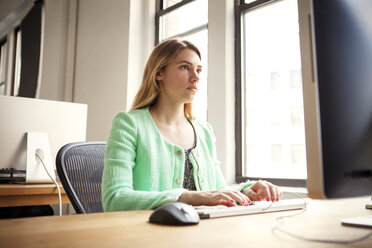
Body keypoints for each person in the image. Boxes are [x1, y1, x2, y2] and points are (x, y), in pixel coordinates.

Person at [102, 39, 282, 211]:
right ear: (159, 73)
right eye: (185, 67)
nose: (195, 77)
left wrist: (245, 191)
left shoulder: (204, 130)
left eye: (199, 70)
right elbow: (115, 199)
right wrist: (189, 197)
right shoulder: (129, 124)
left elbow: (216, 188)